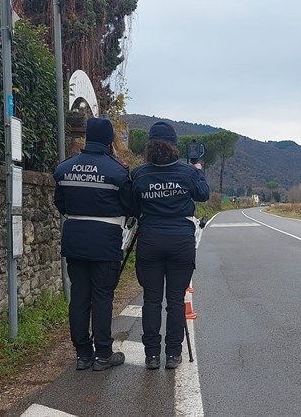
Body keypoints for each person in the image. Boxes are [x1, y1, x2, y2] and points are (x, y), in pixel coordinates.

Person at [53, 118, 133, 371]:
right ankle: (103, 355)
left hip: (74, 237)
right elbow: (131, 206)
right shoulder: (118, 171)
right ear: (110, 141)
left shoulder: (64, 168)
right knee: (102, 298)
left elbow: (61, 204)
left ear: (87, 138)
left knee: (79, 297)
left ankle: (83, 354)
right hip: (105, 241)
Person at [130, 122, 210, 370]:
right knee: (175, 300)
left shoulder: (140, 174)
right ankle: (173, 354)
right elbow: (203, 194)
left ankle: (152, 355)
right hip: (180, 241)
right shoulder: (187, 173)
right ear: (174, 145)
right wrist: (198, 170)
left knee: (151, 300)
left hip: (150, 239)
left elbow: (131, 206)